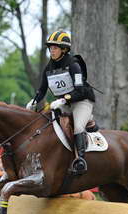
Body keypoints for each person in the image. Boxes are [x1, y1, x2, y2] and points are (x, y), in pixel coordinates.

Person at [25, 30, 95, 175]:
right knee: (47, 123)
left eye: (55, 47)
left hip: (81, 101)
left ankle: (80, 161)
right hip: (64, 103)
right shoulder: (48, 68)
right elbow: (42, 89)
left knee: (78, 127)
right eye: (50, 48)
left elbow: (80, 90)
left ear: (64, 49)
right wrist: (34, 100)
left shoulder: (74, 65)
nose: (52, 50)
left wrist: (64, 99)